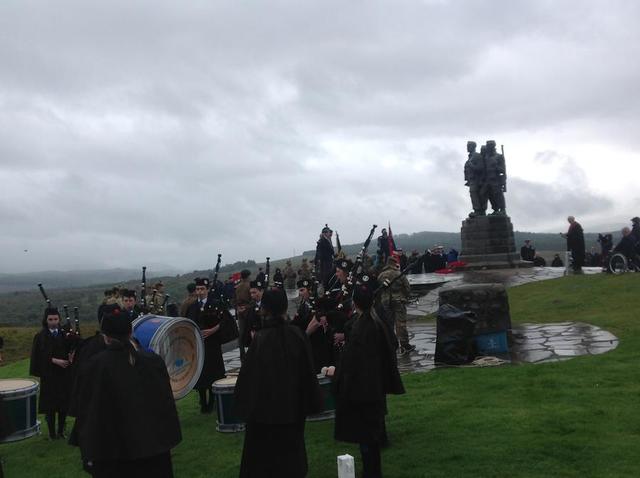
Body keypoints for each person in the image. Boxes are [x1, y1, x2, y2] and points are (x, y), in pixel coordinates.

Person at [70, 304, 181, 477]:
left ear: (105, 337)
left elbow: (88, 412)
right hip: (153, 451)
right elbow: (165, 406)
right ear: (131, 332)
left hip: (114, 456)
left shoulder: (94, 367)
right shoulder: (153, 361)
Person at [234, 288, 322, 478]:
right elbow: (308, 374)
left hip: (265, 415)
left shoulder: (261, 340)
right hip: (292, 412)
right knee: (291, 461)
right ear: (284, 308)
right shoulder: (298, 335)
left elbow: (248, 381)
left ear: (264, 309)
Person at [328, 282, 405, 478]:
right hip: (373, 386)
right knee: (370, 437)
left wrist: (336, 373)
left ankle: (372, 473)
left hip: (365, 389)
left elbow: (353, 361)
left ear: (355, 303)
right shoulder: (374, 322)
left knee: (367, 439)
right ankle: (371, 471)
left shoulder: (363, 328)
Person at [29, 307, 72, 440]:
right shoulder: (40, 337)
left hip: (64, 375)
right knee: (50, 406)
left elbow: (71, 349)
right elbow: (37, 356)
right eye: (50, 319)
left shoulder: (65, 334)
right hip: (49, 375)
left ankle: (61, 431)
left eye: (56, 319)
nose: (53, 322)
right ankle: (52, 433)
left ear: (59, 319)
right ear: (46, 320)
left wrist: (72, 355)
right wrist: (53, 360)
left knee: (63, 404)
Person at [185, 278, 226, 413]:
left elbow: (225, 322)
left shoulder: (216, 304)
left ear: (207, 290)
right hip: (198, 345)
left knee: (213, 373)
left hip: (212, 344)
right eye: (198, 289)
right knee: (201, 374)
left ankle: (213, 401)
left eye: (202, 289)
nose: (200, 292)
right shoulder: (192, 307)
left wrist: (213, 330)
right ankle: (203, 402)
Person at [290, 279, 334, 373]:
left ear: (309, 290)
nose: (300, 293)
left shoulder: (318, 303)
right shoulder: (303, 306)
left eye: (302, 290)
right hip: (309, 345)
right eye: (299, 291)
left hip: (320, 345)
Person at [377, 256, 414, 354]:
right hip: (398, 301)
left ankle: (390, 344)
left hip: (385, 302)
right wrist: (406, 297)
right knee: (400, 324)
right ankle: (405, 345)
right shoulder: (399, 274)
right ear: (394, 263)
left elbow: (379, 289)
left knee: (388, 324)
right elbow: (407, 288)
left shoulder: (381, 275)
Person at [315, 225, 335, 290]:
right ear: (325, 233)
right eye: (329, 232)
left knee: (328, 278)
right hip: (325, 264)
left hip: (328, 263)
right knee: (325, 279)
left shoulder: (326, 240)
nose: (330, 234)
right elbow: (319, 253)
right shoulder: (322, 241)